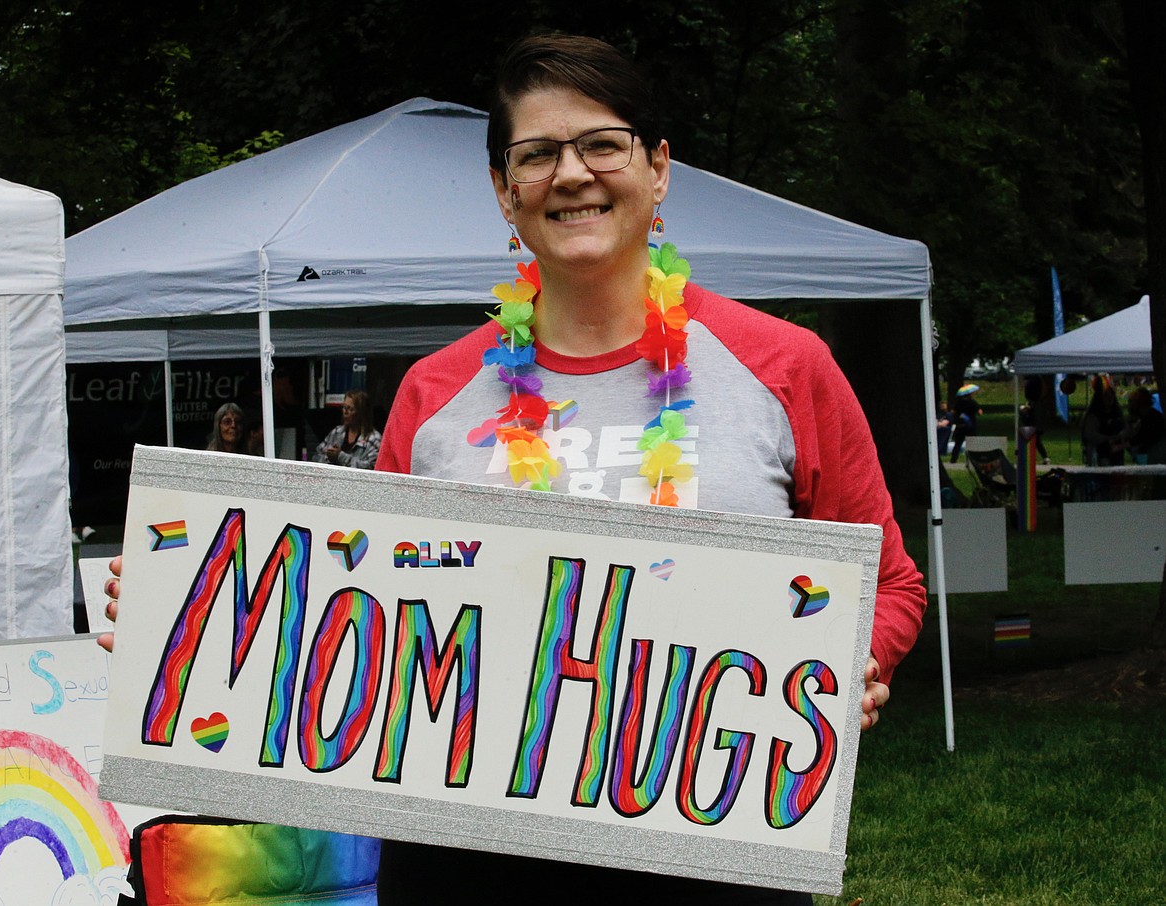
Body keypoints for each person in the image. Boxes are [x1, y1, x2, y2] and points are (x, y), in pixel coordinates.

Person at [102, 33, 926, 906]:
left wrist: (845, 670)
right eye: (536, 156)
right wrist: (188, 610)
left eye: (602, 144)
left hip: (715, 849)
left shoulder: (784, 367)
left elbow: (893, 584)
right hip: (468, 858)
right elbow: (356, 615)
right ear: (506, 191)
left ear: (658, 170)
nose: (572, 174)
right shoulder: (436, 395)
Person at [312, 389, 382, 468]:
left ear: (361, 412)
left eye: (350, 409)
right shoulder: (337, 432)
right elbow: (316, 456)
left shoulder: (374, 439)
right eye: (344, 407)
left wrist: (341, 457)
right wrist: (329, 457)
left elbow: (371, 467)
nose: (345, 412)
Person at [1081, 378, 1126, 466]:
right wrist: (1107, 438)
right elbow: (1090, 434)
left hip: (1116, 453)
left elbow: (1124, 428)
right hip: (1098, 453)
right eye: (1106, 396)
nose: (1109, 399)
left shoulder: (1117, 414)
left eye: (1111, 396)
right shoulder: (1094, 415)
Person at [1121, 385, 1166, 464]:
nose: (1129, 405)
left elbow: (1141, 437)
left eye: (1131, 402)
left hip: (1159, 455)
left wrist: (1119, 446)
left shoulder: (1152, 418)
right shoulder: (1148, 416)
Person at [948, 383, 981, 463]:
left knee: (958, 443)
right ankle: (974, 458)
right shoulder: (973, 402)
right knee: (972, 442)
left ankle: (953, 459)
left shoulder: (958, 402)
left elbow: (952, 412)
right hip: (971, 425)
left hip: (961, 425)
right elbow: (980, 412)